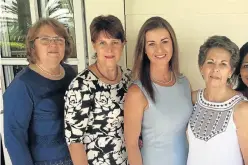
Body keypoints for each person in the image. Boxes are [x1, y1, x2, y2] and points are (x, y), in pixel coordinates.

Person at [3, 18, 76, 165]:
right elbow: (14, 140)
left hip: (77, 157)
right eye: (45, 39)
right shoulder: (22, 85)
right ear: (32, 46)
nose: (53, 44)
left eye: (59, 39)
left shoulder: (70, 74)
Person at [124, 16, 193, 165]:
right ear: (144, 50)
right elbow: (132, 146)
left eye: (164, 41)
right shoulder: (137, 92)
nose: (159, 49)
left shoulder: (184, 83)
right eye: (151, 44)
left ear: (172, 43)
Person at [64, 15, 131, 165]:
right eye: (102, 43)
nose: (109, 49)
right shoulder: (81, 85)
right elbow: (75, 142)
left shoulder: (129, 78)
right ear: (94, 45)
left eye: (115, 42)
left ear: (123, 44)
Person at [187, 36, 248, 165]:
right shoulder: (192, 99)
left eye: (223, 64)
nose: (216, 69)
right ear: (201, 67)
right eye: (210, 62)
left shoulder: (241, 108)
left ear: (230, 72)